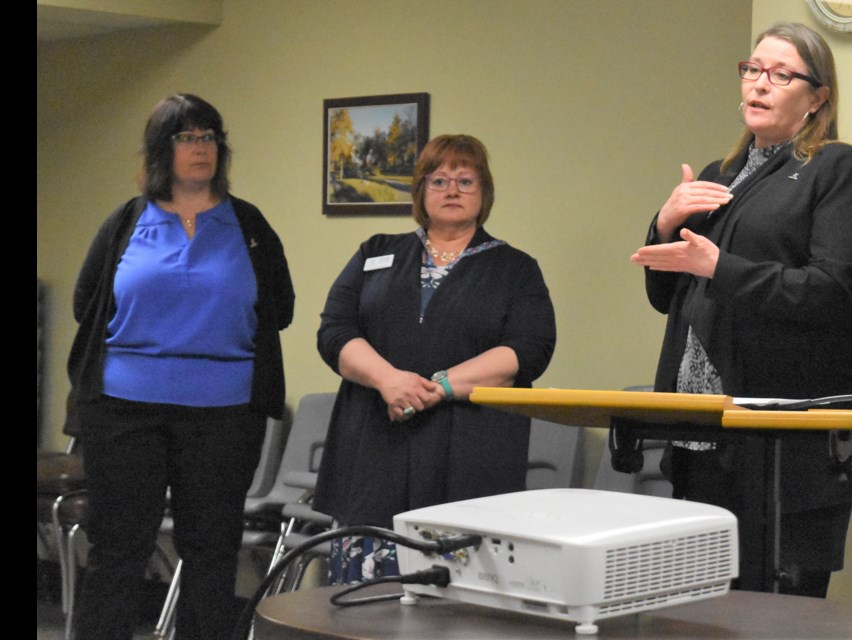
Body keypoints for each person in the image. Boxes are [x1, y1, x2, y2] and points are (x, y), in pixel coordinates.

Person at [624, 23, 852, 598]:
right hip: (703, 431)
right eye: (753, 70)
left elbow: (831, 292)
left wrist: (721, 267)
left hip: (787, 436)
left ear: (817, 97)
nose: (759, 84)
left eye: (781, 74)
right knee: (703, 609)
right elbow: (667, 297)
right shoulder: (718, 176)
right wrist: (664, 223)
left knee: (780, 612)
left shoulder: (839, 168)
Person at [67, 93, 294, 639]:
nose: (202, 148)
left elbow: (279, 308)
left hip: (223, 414)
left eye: (210, 136)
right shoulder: (126, 221)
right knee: (119, 549)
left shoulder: (248, 224)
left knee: (213, 551)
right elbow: (87, 304)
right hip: (123, 411)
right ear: (160, 150)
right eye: (187, 137)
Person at [313, 133, 556, 584]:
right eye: (439, 180)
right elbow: (334, 331)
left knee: (455, 606)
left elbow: (530, 348)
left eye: (466, 180)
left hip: (470, 452)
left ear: (484, 193)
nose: (452, 190)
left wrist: (437, 388)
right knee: (363, 604)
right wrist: (388, 380)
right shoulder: (376, 250)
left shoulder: (516, 268)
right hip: (373, 447)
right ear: (420, 192)